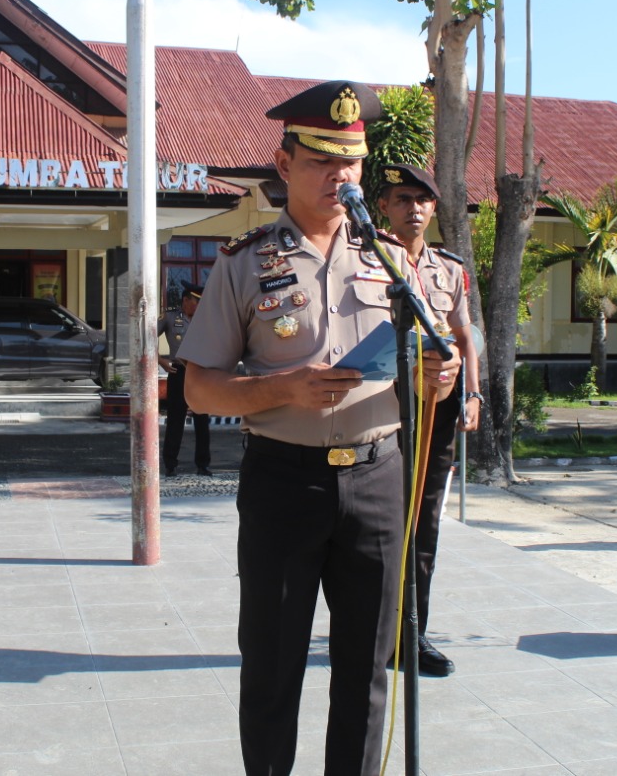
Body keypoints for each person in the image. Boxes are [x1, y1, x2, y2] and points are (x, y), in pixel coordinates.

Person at [179, 80, 461, 775]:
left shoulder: (392, 263)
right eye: (322, 162)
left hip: (377, 477)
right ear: (284, 163)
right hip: (285, 481)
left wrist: (436, 376)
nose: (342, 177)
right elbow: (198, 385)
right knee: (273, 667)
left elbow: (424, 358)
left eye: (353, 163)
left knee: (366, 669)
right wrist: (284, 386)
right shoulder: (246, 263)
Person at [375, 163, 483, 676]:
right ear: (385, 208)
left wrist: (474, 394)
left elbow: (464, 337)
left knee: (425, 522)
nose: (413, 209)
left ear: (434, 209)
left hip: (437, 409)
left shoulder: (449, 269)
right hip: (384, 409)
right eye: (402, 199)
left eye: (422, 200)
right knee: (380, 522)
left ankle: (412, 634)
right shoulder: (369, 260)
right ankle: (373, 631)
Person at [158, 279, 211, 477]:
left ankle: (203, 465)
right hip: (178, 372)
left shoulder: (206, 320)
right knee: (175, 420)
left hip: (201, 374)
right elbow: (146, 335)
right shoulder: (171, 318)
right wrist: (160, 360)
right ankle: (170, 464)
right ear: (186, 301)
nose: (199, 306)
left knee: (202, 420)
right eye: (196, 302)